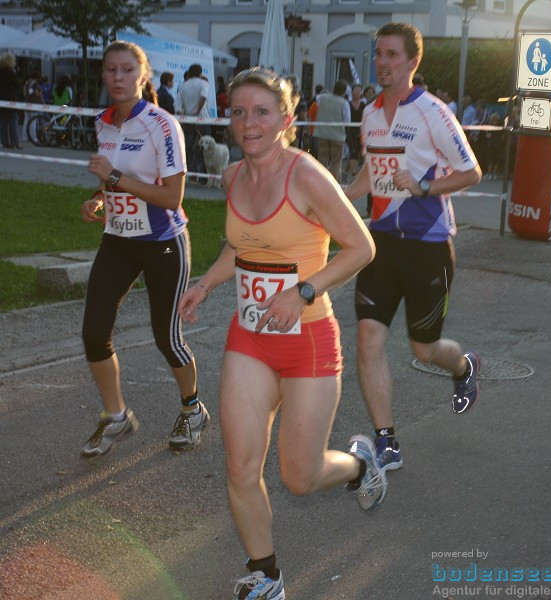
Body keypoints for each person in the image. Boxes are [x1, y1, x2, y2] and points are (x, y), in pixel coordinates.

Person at [176, 66, 383, 600]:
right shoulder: (232, 177)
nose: (249, 123)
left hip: (308, 341)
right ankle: (265, 575)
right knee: (241, 464)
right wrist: (207, 283)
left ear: (287, 120)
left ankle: (360, 463)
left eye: (262, 112)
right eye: (239, 112)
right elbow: (241, 246)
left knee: (299, 476)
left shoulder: (308, 175)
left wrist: (305, 291)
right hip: (250, 339)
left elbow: (361, 247)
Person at [343, 22, 483, 472]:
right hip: (381, 241)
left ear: (412, 62)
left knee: (424, 349)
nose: (383, 62)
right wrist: (340, 196)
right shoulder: (368, 113)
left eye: (392, 55)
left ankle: (462, 366)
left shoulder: (433, 112)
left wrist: (424, 186)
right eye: (378, 54)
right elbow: (372, 171)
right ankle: (387, 442)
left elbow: (472, 172)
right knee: (368, 338)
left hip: (428, 244)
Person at [78, 41, 206, 458]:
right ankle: (115, 415)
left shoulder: (163, 124)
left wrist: (113, 179)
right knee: (94, 332)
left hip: (162, 241)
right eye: (111, 70)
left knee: (166, 337)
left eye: (127, 70)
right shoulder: (103, 122)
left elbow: (172, 197)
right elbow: (107, 183)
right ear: (103, 75)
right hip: (118, 239)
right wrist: (99, 199)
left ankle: (192, 409)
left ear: (143, 76)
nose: (118, 77)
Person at [176, 64, 211, 181]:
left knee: (189, 149)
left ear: (189, 73)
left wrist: (183, 115)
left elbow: (177, 105)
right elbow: (203, 97)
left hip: (188, 122)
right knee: (206, 149)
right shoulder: (204, 83)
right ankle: (204, 178)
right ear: (200, 73)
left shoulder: (183, 86)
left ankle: (190, 176)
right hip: (203, 120)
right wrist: (197, 111)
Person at [313, 79, 350, 181]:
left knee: (322, 159)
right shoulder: (344, 103)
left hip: (322, 133)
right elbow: (347, 121)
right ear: (344, 91)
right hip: (338, 136)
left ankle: (321, 180)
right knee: (336, 162)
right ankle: (333, 183)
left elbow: (317, 102)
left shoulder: (321, 98)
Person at [0, 53, 22, 149]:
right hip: (11, 100)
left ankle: (4, 142)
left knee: (3, 122)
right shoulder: (11, 72)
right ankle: (15, 142)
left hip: (1, 100)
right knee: (13, 121)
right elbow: (17, 84)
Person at [346, 83, 365, 183]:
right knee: (353, 151)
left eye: (358, 91)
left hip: (361, 131)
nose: (356, 93)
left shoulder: (363, 104)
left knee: (359, 153)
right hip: (350, 131)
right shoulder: (347, 104)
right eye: (355, 91)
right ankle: (354, 175)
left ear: (361, 92)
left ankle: (345, 171)